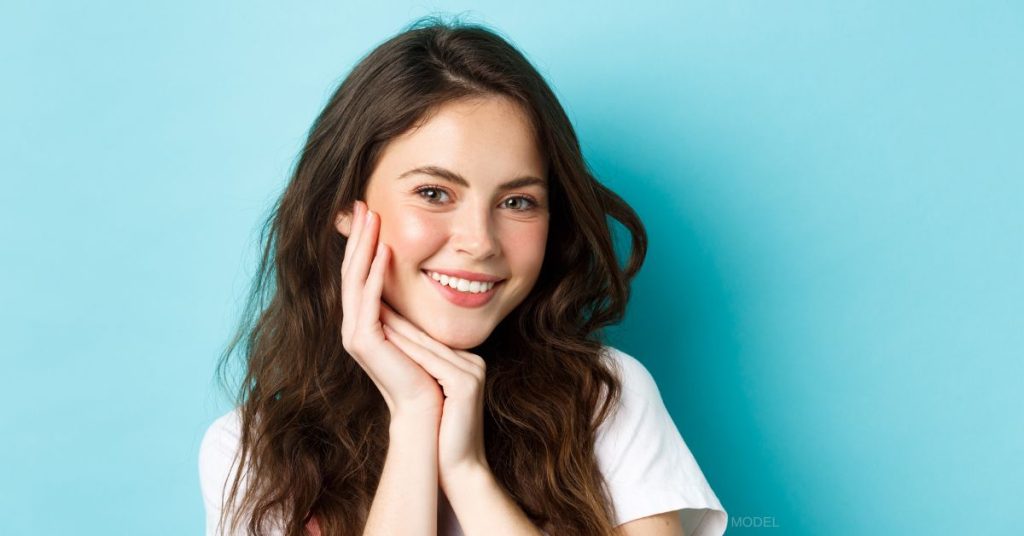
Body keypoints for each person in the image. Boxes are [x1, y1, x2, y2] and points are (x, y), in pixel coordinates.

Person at [199, 15, 727, 536]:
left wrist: (469, 474)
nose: (480, 241)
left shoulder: (605, 398)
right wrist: (414, 418)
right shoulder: (249, 452)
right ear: (344, 204)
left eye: (518, 201)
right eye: (434, 193)